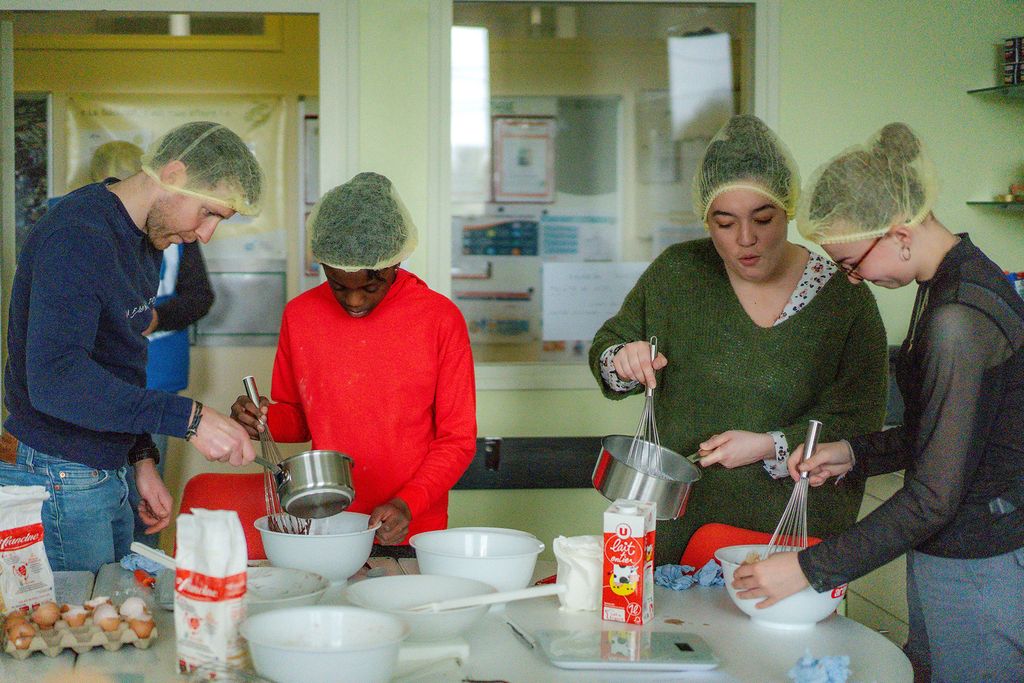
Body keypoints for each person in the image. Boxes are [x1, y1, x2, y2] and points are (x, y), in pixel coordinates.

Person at [733, 123, 1024, 683]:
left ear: (898, 233)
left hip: (983, 561)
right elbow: (944, 434)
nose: (853, 276)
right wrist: (852, 453)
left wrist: (808, 569)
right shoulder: (946, 285)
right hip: (956, 550)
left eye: (851, 262)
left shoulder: (960, 320)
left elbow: (933, 498)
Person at [589, 115, 889, 566]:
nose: (746, 239)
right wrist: (624, 359)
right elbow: (610, 349)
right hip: (680, 530)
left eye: (763, 219)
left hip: (792, 544)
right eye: (725, 223)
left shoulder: (843, 297)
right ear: (706, 218)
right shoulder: (678, 273)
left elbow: (859, 421)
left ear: (788, 209)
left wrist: (771, 443)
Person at [0, 121, 264, 573]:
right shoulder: (78, 235)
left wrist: (140, 458)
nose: (206, 235)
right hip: (60, 471)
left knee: (119, 614)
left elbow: (119, 361)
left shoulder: (145, 239)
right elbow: (55, 379)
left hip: (105, 466)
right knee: (82, 632)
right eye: (208, 213)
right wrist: (191, 419)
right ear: (174, 175)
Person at [230, 172, 476, 554]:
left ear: (395, 263)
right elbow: (298, 417)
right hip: (329, 524)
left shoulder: (439, 320)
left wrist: (409, 502)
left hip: (413, 528)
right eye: (339, 286)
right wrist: (259, 418)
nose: (355, 301)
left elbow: (457, 440)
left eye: (370, 287)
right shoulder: (301, 316)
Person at [87, 140, 217, 549]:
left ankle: (141, 566)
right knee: (97, 487)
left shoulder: (177, 230)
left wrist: (155, 317)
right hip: (92, 383)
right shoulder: (80, 226)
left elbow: (200, 296)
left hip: (156, 374)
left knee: (145, 481)